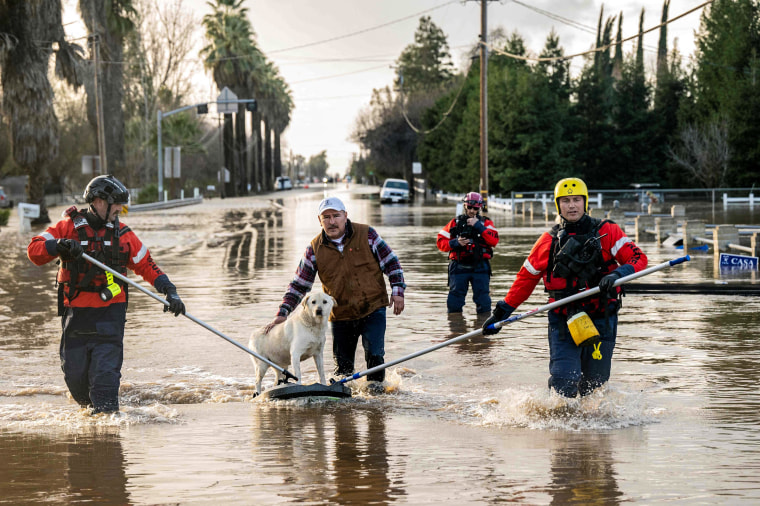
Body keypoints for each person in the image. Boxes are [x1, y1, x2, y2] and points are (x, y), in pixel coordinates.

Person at [27, 174, 185, 413]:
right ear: (99, 201)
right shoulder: (67, 227)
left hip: (111, 316)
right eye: (116, 203)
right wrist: (59, 245)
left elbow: (147, 265)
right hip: (76, 315)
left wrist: (170, 291)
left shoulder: (124, 235)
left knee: (105, 388)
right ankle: (94, 435)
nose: (120, 209)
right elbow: (34, 250)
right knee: (76, 382)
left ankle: (109, 436)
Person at [483, 177, 647, 398]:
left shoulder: (609, 231)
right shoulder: (547, 241)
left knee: (594, 387)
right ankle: (560, 429)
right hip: (564, 319)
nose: (572, 205)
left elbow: (638, 259)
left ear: (585, 202)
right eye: (566, 200)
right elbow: (525, 280)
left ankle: (587, 432)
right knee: (563, 384)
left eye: (577, 200)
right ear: (558, 205)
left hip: (602, 317)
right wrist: (501, 313)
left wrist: (618, 274)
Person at [265, 196, 405, 384]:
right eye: (326, 217)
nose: (332, 222)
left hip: (373, 307)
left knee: (375, 356)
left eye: (336, 216)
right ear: (320, 220)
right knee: (343, 368)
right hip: (340, 314)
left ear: (345, 216)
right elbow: (299, 285)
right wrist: (283, 313)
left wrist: (397, 291)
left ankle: (376, 400)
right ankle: (343, 402)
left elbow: (391, 262)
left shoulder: (367, 234)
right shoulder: (314, 249)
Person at [437, 192, 499, 314]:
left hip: (480, 266)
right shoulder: (455, 223)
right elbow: (440, 242)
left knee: (484, 302)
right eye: (469, 207)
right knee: (454, 303)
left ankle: (483, 329)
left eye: (475, 208)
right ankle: (456, 330)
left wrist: (479, 227)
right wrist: (455, 243)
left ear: (480, 208)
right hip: (459, 266)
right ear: (465, 206)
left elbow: (494, 240)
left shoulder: (486, 224)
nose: (472, 211)